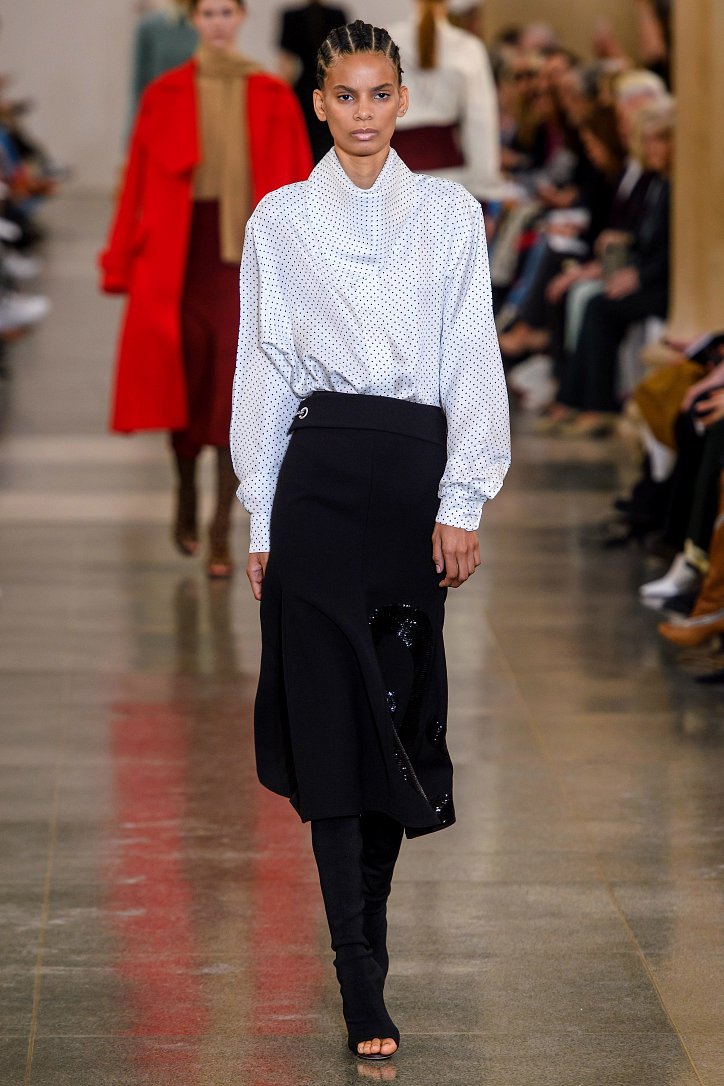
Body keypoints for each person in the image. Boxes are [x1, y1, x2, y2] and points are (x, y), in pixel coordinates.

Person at [230, 18, 510, 1061]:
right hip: (316, 485)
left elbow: (470, 352)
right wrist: (262, 513)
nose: (362, 113)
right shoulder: (279, 219)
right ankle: (358, 972)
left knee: (393, 720)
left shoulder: (448, 215)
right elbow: (263, 369)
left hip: (409, 485)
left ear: (402, 100)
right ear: (318, 103)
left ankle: (369, 943)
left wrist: (463, 498)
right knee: (328, 724)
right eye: (343, 95)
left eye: (378, 93)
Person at [101, 0, 312, 577]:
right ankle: (185, 492)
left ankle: (222, 525)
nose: (218, 23)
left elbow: (299, 184)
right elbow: (136, 181)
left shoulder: (271, 94)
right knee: (185, 381)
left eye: (226, 11)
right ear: (194, 20)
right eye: (208, 13)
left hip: (242, 261)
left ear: (242, 17)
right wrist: (120, 259)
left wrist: (306, 264)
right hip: (180, 256)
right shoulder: (164, 94)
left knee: (234, 391)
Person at [388, 0, 502, 200]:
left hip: (391, 178)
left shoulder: (385, 41)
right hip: (450, 178)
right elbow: (480, 121)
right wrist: (485, 185)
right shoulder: (467, 47)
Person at [278, 0, 349, 163]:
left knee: (308, 144)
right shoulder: (336, 15)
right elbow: (344, 59)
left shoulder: (292, 16)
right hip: (327, 87)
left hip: (306, 89)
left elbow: (286, 64)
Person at [127, 0, 198, 134]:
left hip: (198, 121)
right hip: (161, 120)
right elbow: (140, 86)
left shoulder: (208, 26)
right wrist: (133, 133)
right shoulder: (150, 28)